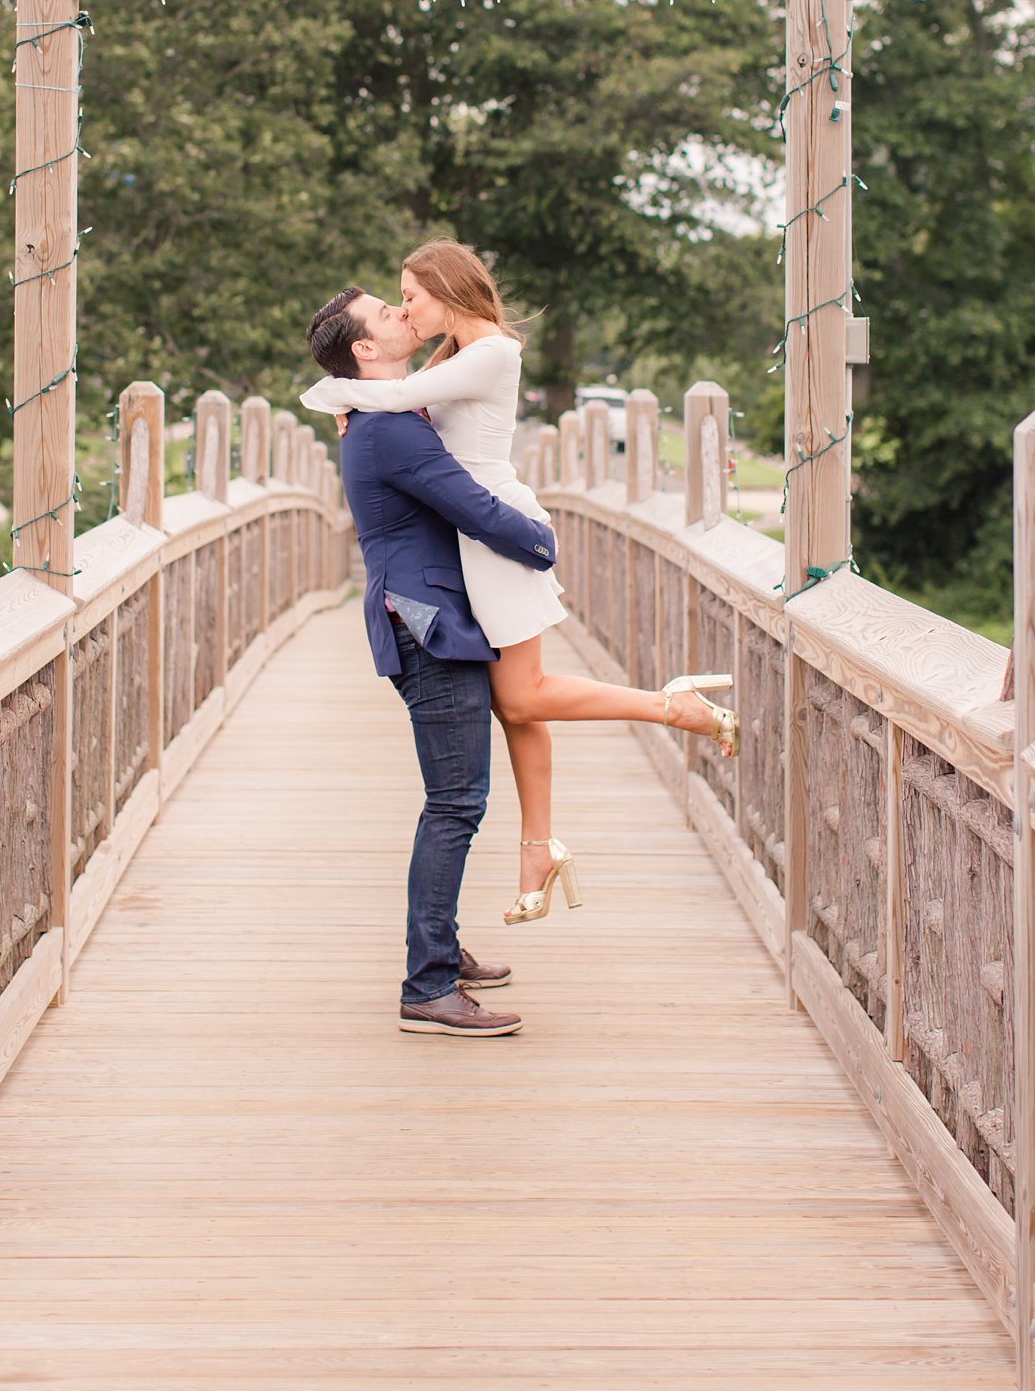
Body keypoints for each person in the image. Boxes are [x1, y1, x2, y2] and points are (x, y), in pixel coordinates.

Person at [302, 243, 736, 929]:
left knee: (521, 693)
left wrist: (335, 395)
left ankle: (669, 706)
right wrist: (358, 408)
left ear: (447, 290)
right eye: (395, 303)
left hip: (499, 531)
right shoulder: (450, 359)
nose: (406, 310)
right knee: (518, 706)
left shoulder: (493, 352)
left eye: (409, 296)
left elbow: (400, 398)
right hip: (475, 542)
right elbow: (404, 405)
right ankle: (539, 845)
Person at [306, 285, 559, 1038]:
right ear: (365, 350)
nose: (402, 314)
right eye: (388, 312)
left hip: (424, 613)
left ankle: (439, 947)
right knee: (455, 802)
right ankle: (429, 985)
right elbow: (473, 508)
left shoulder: (385, 416)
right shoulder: (391, 433)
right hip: (429, 622)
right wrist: (543, 543)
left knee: (452, 799)